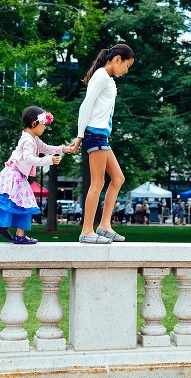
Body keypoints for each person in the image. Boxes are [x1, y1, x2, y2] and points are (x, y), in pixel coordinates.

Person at [68, 44, 135, 244]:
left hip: (101, 136)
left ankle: (104, 225)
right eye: (127, 65)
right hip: (94, 134)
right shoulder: (101, 76)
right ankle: (86, 230)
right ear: (117, 60)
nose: (126, 70)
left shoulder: (108, 80)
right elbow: (85, 105)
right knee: (97, 183)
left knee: (118, 178)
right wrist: (80, 136)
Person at [0, 106, 74, 244]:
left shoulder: (32, 138)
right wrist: (49, 160)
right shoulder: (28, 140)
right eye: (43, 125)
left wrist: (63, 149)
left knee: (12, 201)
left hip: (12, 173)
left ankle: (1, 225)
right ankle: (19, 235)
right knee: (26, 203)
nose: (44, 128)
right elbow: (28, 158)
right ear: (34, 124)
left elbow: (46, 148)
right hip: (15, 174)